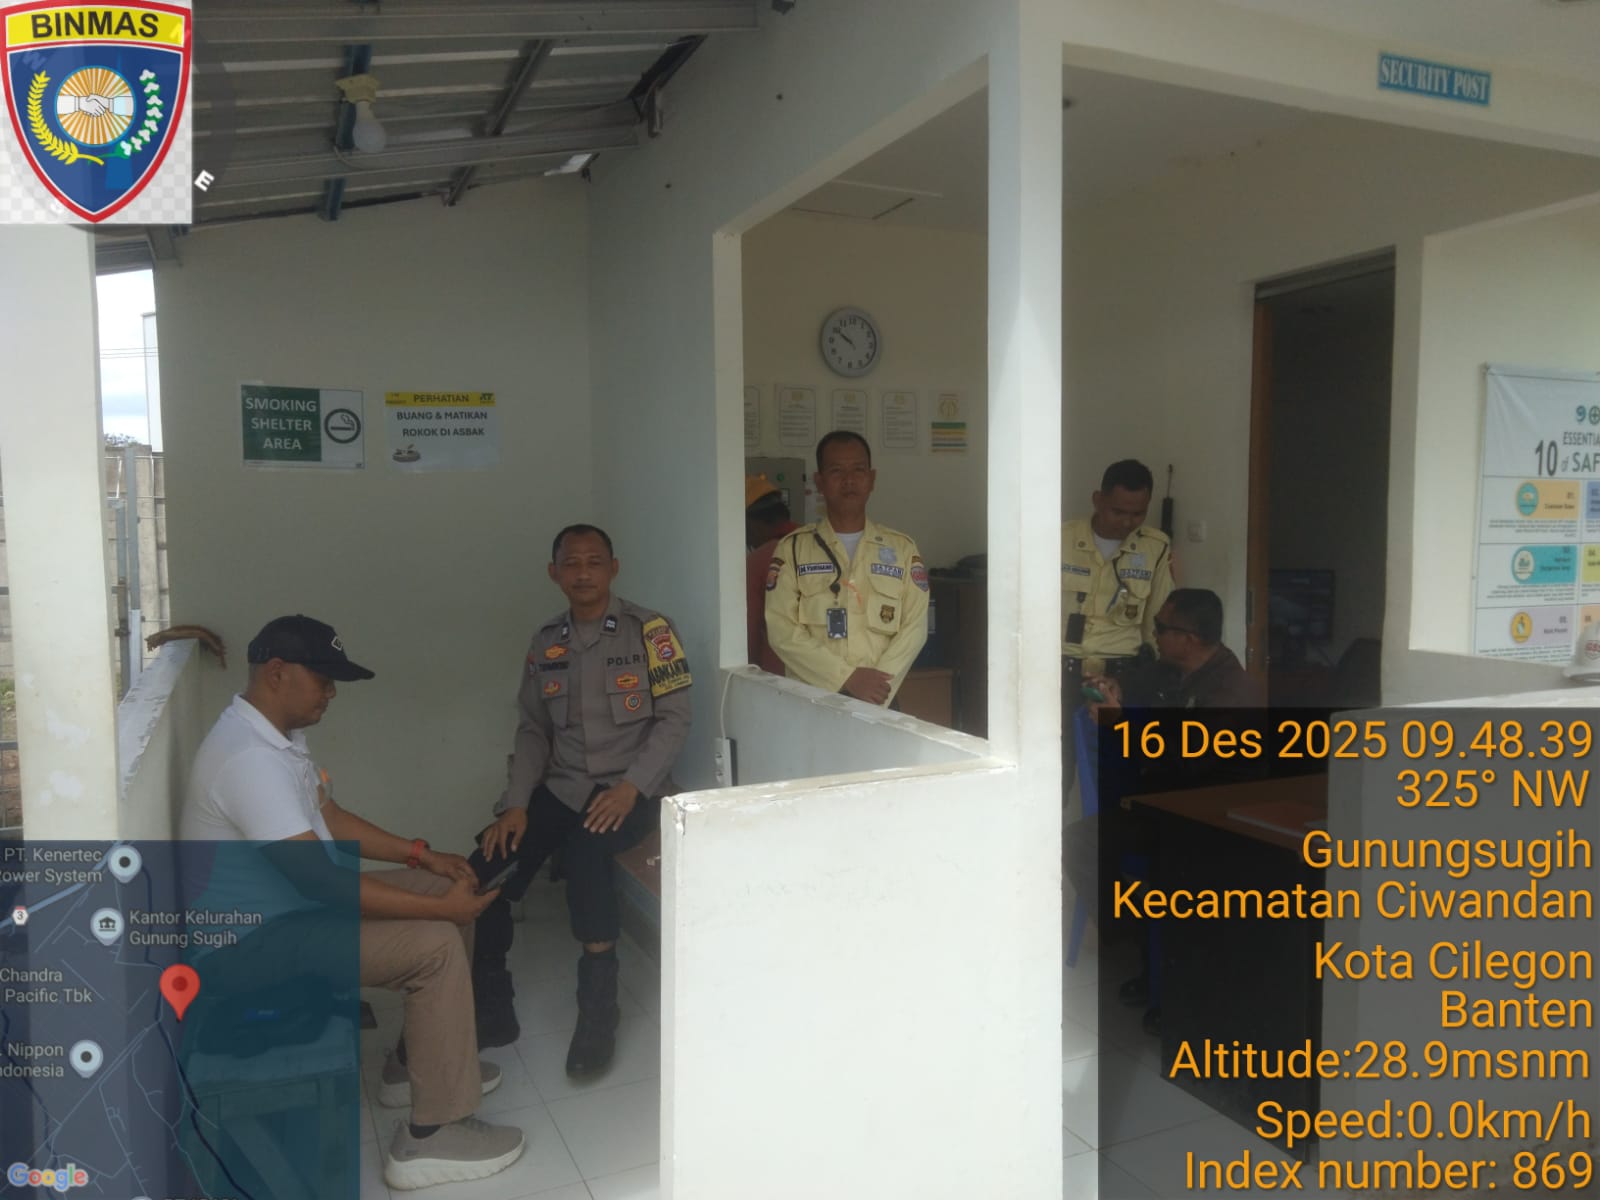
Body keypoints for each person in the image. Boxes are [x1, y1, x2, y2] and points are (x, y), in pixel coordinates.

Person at [180, 615, 525, 1191]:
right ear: (277, 673)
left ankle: (413, 1067)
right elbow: (321, 881)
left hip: (287, 915)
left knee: (445, 889)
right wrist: (442, 912)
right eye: (323, 679)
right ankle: (432, 1136)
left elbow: (330, 818)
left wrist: (424, 857)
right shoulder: (248, 761)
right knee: (436, 942)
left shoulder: (278, 738)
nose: (332, 693)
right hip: (245, 946)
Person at [471, 524, 691, 1077]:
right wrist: (515, 804)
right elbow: (533, 730)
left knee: (589, 861)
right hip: (564, 787)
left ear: (614, 568)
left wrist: (630, 787)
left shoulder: (651, 631)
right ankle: (490, 1007)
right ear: (555, 573)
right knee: (487, 867)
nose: (584, 572)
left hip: (633, 787)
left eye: (595, 562)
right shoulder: (546, 642)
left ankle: (598, 1015)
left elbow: (674, 719)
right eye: (572, 563)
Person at [1074, 589, 1263, 1036]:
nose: (1154, 634)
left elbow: (1185, 761)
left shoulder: (1232, 692)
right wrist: (1112, 687)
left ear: (1190, 638)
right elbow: (1134, 682)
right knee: (1082, 843)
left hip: (1215, 818)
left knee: (1168, 871)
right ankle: (1147, 952)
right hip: (1163, 806)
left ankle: (1175, 982)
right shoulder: (1172, 668)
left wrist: (1121, 724)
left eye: (1161, 628)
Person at [764, 431, 928, 706]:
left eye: (858, 470)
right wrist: (846, 678)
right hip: (813, 701)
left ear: (872, 479)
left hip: (880, 701)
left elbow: (915, 627)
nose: (849, 480)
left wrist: (877, 690)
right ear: (819, 481)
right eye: (836, 471)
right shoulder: (793, 550)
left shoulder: (902, 550)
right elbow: (781, 629)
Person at [1060, 459, 1176, 703]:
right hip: (1061, 670)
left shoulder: (1155, 547)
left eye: (1138, 514)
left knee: (1118, 730)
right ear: (1097, 500)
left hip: (1122, 676)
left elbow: (1158, 619)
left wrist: (1154, 676)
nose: (1127, 522)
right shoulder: (1060, 539)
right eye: (1118, 512)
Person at [745, 474, 800, 675]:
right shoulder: (820, 548)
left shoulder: (760, 560)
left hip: (777, 678)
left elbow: (748, 636)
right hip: (827, 678)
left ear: (751, 523)